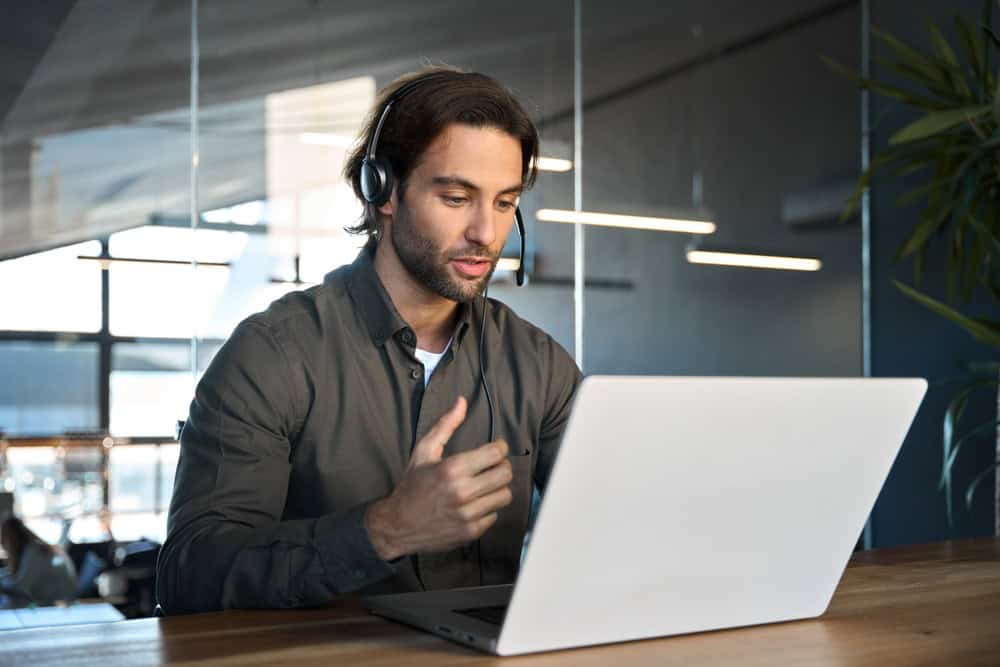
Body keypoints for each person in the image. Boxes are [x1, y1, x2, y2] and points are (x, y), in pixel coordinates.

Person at [155, 66, 582, 614]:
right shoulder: (274, 354)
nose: (487, 232)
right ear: (382, 190)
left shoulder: (537, 363)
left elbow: (615, 522)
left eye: (504, 203)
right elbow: (189, 576)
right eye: (456, 198)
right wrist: (383, 530)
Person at [0, 516, 78, 609]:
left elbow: (22, 586)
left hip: (60, 601)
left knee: (10, 604)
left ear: (11, 537)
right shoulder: (33, 548)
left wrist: (2, 584)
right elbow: (18, 576)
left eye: (3, 538)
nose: (2, 543)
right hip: (55, 598)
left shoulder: (34, 551)